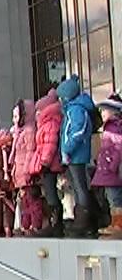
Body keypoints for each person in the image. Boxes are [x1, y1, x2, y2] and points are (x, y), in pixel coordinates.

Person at [59, 75, 98, 237]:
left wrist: (67, 149)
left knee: (80, 186)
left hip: (77, 155)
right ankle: (84, 218)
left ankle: (85, 220)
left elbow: (78, 131)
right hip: (74, 155)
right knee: (78, 186)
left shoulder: (76, 110)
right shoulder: (73, 109)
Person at [30, 88, 64, 237]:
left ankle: (56, 224)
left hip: (49, 165)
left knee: (51, 193)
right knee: (49, 193)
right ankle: (53, 222)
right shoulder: (46, 123)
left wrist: (44, 162)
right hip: (46, 164)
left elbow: (50, 145)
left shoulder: (50, 123)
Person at [92, 93, 122, 238]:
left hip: (111, 170)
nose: (101, 113)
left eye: (104, 110)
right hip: (107, 169)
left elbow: (118, 147)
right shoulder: (109, 127)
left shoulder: (113, 127)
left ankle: (118, 225)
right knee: (112, 198)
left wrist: (112, 165)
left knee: (115, 198)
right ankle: (115, 223)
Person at [10, 99, 38, 234]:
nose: (14, 120)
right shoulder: (18, 132)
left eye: (16, 116)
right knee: (24, 200)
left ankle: (33, 225)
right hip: (19, 170)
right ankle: (25, 225)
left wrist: (27, 170)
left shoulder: (29, 130)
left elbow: (30, 151)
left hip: (25, 169)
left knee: (31, 199)